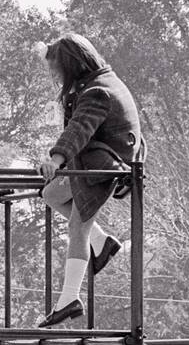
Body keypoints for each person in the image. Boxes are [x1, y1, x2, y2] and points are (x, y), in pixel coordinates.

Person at [34, 34, 140, 326]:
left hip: (103, 166)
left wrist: (56, 160)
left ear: (70, 65)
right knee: (51, 195)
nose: (56, 77)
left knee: (77, 226)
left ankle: (69, 298)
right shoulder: (99, 82)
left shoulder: (97, 91)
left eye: (57, 70)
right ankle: (102, 242)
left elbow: (79, 129)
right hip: (99, 160)